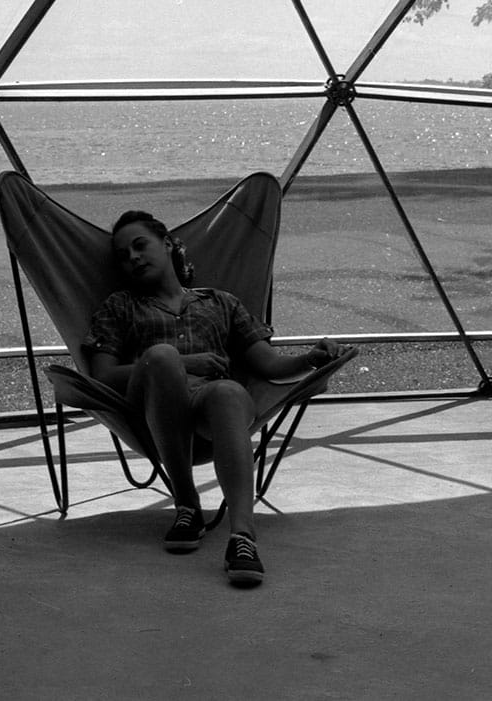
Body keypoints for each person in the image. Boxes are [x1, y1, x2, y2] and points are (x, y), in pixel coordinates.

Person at [83, 208, 350, 587]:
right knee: (162, 357)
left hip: (211, 408)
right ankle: (186, 503)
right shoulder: (120, 306)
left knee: (226, 390)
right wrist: (184, 360)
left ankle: (242, 538)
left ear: (168, 244)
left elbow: (269, 364)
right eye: (124, 257)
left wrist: (313, 358)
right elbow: (103, 375)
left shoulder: (220, 302)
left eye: (140, 246)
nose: (133, 258)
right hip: (155, 407)